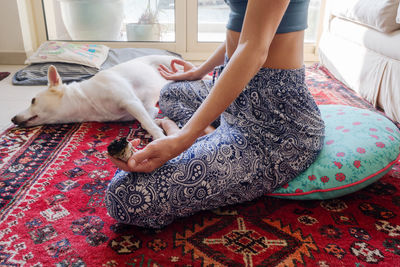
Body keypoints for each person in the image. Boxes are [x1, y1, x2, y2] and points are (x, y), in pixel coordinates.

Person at [105, 0, 325, 228]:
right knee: (170, 94)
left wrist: (183, 139)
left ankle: (203, 134)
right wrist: (199, 71)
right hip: (236, 103)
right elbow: (245, 28)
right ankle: (210, 133)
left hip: (275, 130)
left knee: (125, 195)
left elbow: (253, 47)